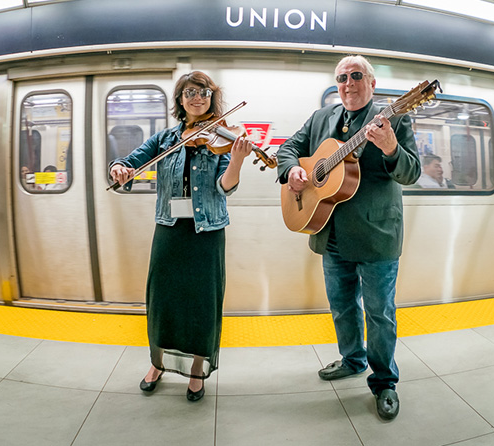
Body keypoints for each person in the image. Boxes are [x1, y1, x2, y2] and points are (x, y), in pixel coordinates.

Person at [276, 55, 421, 420]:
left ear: (371, 83)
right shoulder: (321, 118)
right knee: (342, 307)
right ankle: (352, 359)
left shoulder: (395, 119)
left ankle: (385, 381)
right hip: (330, 232)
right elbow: (287, 148)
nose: (348, 83)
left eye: (357, 76)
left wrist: (390, 148)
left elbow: (413, 172)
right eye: (342, 77)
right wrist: (292, 168)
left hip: (376, 236)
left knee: (379, 314)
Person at [109, 71, 253, 402]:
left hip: (207, 231)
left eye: (203, 91)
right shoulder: (165, 138)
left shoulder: (224, 137)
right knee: (163, 300)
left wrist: (239, 160)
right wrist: (120, 168)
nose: (196, 97)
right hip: (170, 228)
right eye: (189, 92)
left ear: (211, 97)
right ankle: (157, 364)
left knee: (202, 303)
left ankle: (197, 369)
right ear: (180, 99)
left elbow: (224, 187)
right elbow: (131, 161)